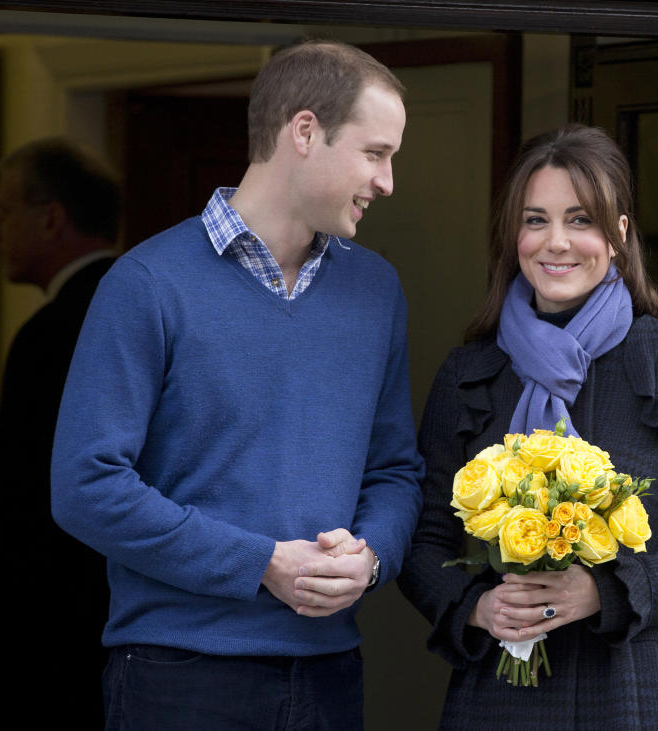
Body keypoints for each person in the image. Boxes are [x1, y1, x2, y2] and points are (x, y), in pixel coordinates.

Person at [50, 40, 423, 730]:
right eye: (376, 153)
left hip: (330, 674)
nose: (388, 180)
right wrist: (260, 562)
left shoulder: (377, 291)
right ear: (305, 132)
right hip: (178, 674)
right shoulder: (147, 283)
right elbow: (85, 486)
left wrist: (370, 557)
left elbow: (396, 469)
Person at [397, 123, 658, 729]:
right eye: (535, 220)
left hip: (626, 695)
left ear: (619, 234)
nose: (557, 242)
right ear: (513, 235)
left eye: (581, 220)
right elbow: (421, 540)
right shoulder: (470, 372)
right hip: (494, 699)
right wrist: (476, 607)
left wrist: (605, 592)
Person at [0, 137, 120, 730]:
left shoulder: (49, 336)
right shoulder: (155, 308)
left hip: (53, 650)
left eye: (2, 211)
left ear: (51, 217)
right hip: (145, 634)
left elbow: (22, 516)